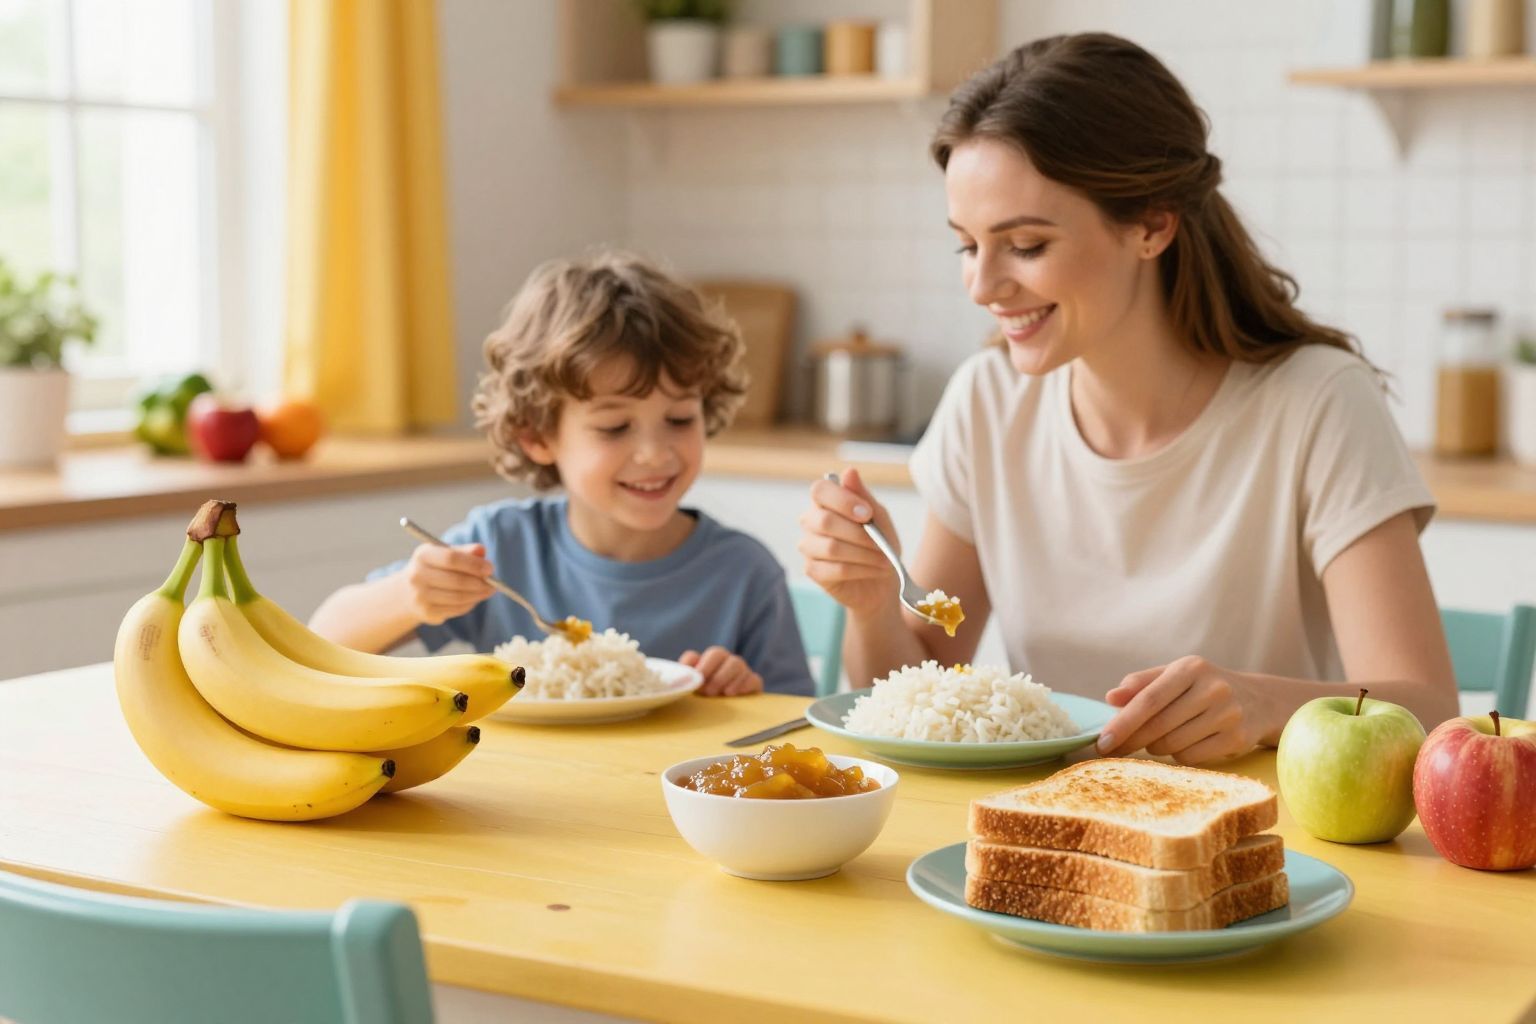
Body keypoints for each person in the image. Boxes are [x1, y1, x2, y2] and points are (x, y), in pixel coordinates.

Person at [799, 33, 1459, 762]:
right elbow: (908, 688)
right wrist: (868, 606)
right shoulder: (987, 402)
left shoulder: (1317, 405)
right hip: (1039, 828)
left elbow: (1427, 708)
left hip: (1250, 840)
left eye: (1024, 245)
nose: (982, 286)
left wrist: (1267, 703)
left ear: (1151, 224)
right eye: (967, 245)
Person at [313, 251, 815, 697]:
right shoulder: (502, 549)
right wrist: (410, 596)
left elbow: (795, 723)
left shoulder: (744, 573)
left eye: (680, 419)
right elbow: (324, 640)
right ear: (537, 436)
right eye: (615, 427)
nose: (654, 454)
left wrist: (741, 694)